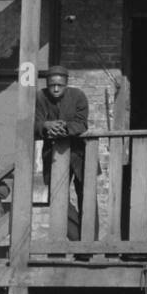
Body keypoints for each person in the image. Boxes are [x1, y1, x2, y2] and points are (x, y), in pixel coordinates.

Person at [34, 65, 90, 240]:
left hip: (79, 154)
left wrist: (63, 127)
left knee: (87, 198)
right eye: (52, 85)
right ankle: (79, 240)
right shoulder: (40, 97)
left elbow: (81, 124)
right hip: (54, 156)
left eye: (60, 85)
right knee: (57, 199)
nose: (56, 89)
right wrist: (45, 125)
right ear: (47, 84)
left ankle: (88, 247)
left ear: (66, 84)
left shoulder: (78, 96)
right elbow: (33, 123)